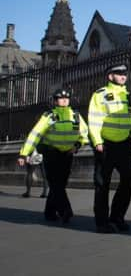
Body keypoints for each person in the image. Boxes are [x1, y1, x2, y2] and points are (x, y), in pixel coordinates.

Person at [88, 63, 131, 233]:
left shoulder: (129, 96)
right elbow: (94, 119)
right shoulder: (100, 95)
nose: (123, 76)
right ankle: (102, 222)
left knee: (129, 178)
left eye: (124, 73)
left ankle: (117, 216)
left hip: (124, 144)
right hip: (105, 144)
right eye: (119, 73)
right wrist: (97, 141)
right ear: (110, 76)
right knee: (102, 183)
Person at [17, 88, 88, 222]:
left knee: (60, 184)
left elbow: (84, 134)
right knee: (55, 183)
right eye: (61, 99)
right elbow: (35, 134)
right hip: (51, 153)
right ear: (55, 101)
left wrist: (77, 146)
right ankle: (65, 211)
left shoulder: (75, 115)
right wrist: (24, 154)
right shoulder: (49, 116)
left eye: (66, 98)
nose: (64, 100)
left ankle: (49, 212)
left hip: (67, 154)